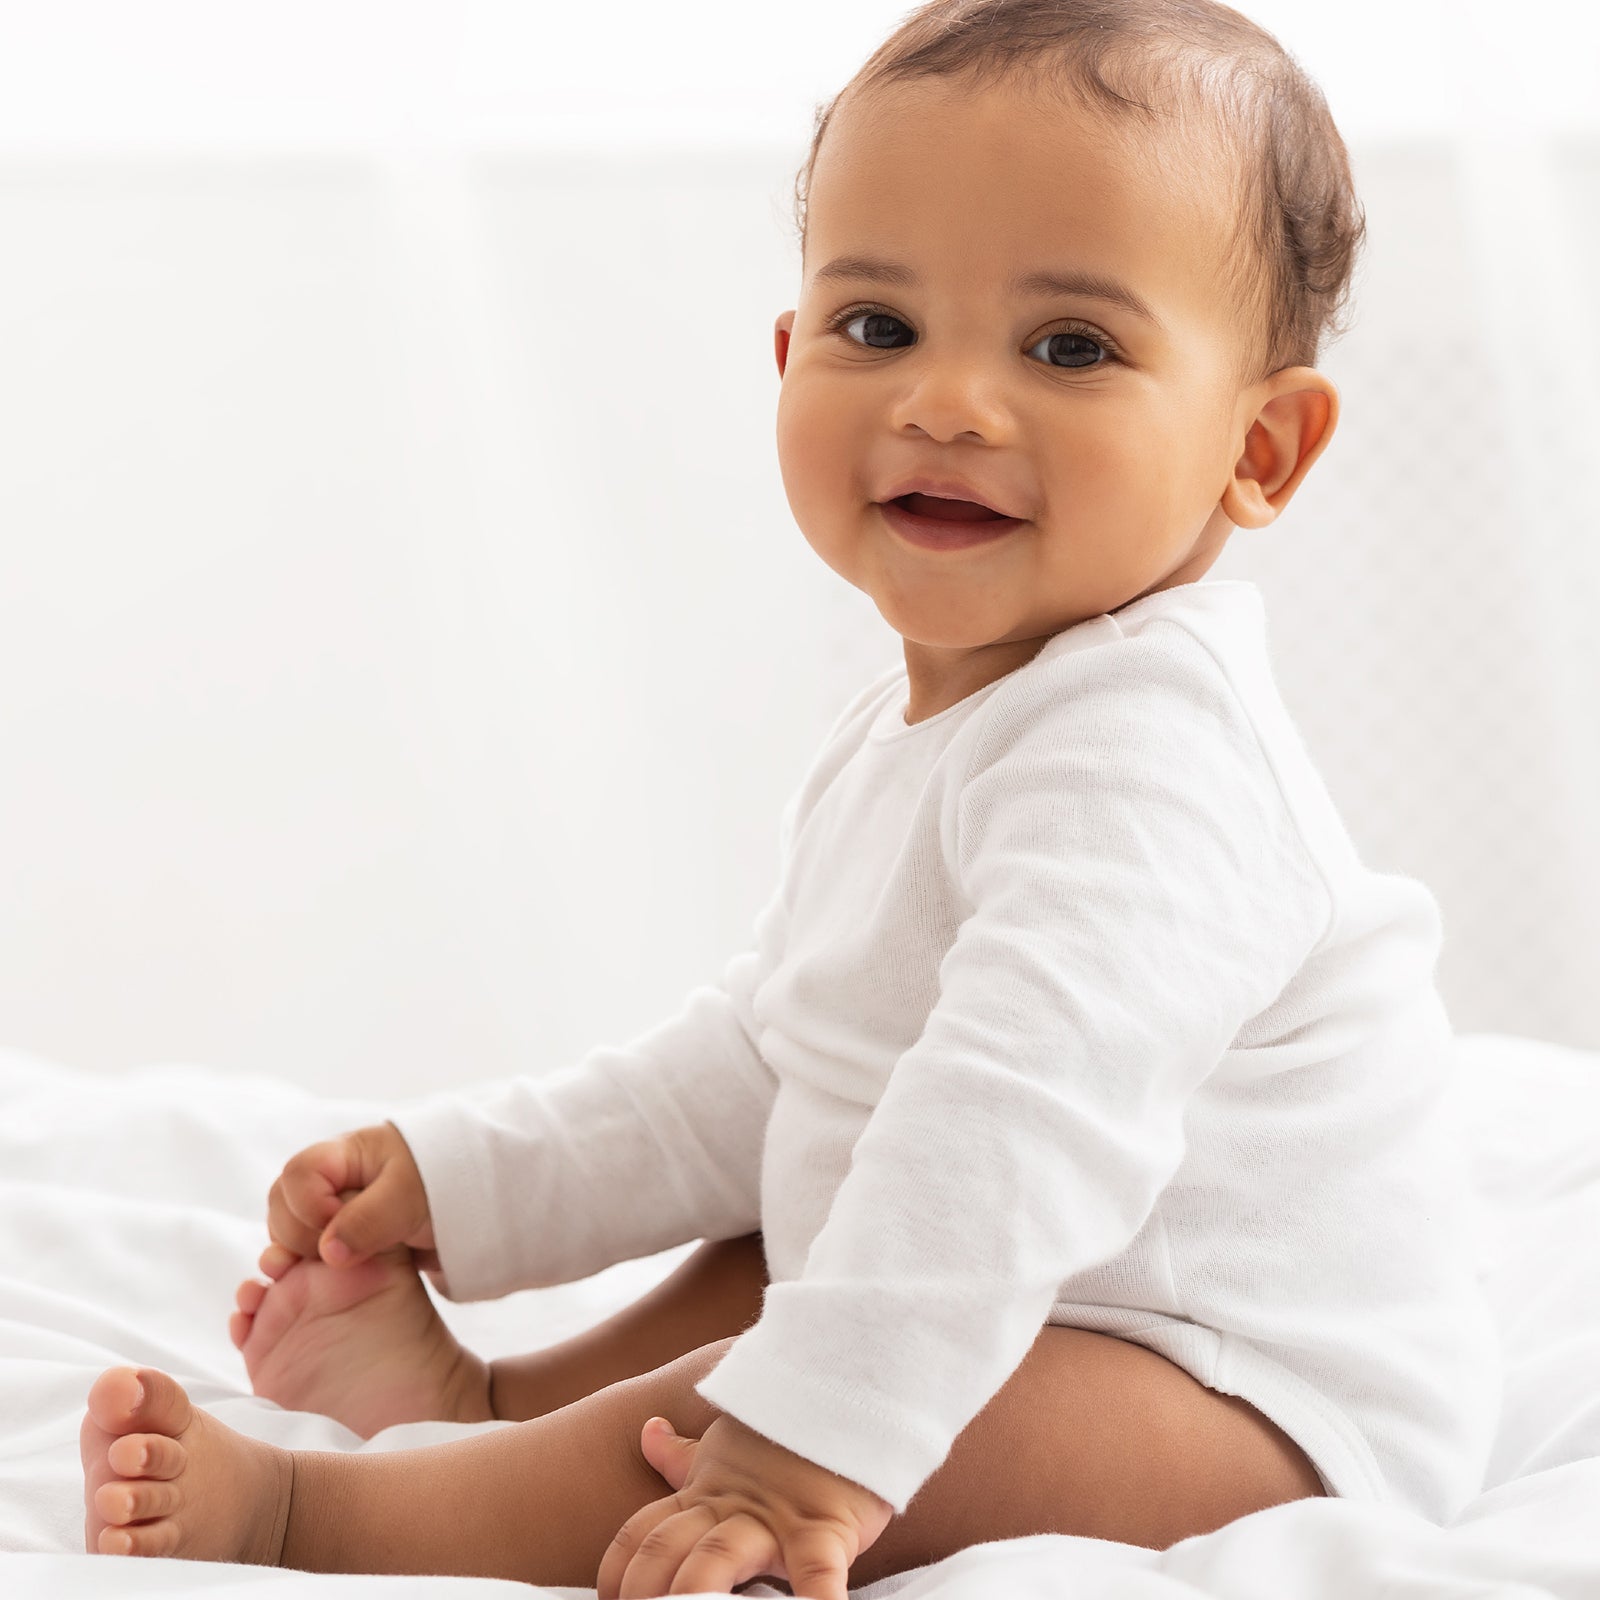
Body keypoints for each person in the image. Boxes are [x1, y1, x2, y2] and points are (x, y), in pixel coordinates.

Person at [78, 2, 1501, 1595]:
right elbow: (775, 1061)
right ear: (788, 356)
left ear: (1262, 448)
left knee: (799, 1357)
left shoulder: (1156, 759)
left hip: (1246, 1389)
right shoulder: (933, 726)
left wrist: (800, 1448)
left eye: (1069, 348)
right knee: (803, 1217)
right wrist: (473, 1180)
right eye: (879, 327)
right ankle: (494, 1415)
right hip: (1033, 1287)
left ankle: (316, 1520)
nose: (947, 402)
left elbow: (1011, 1129)